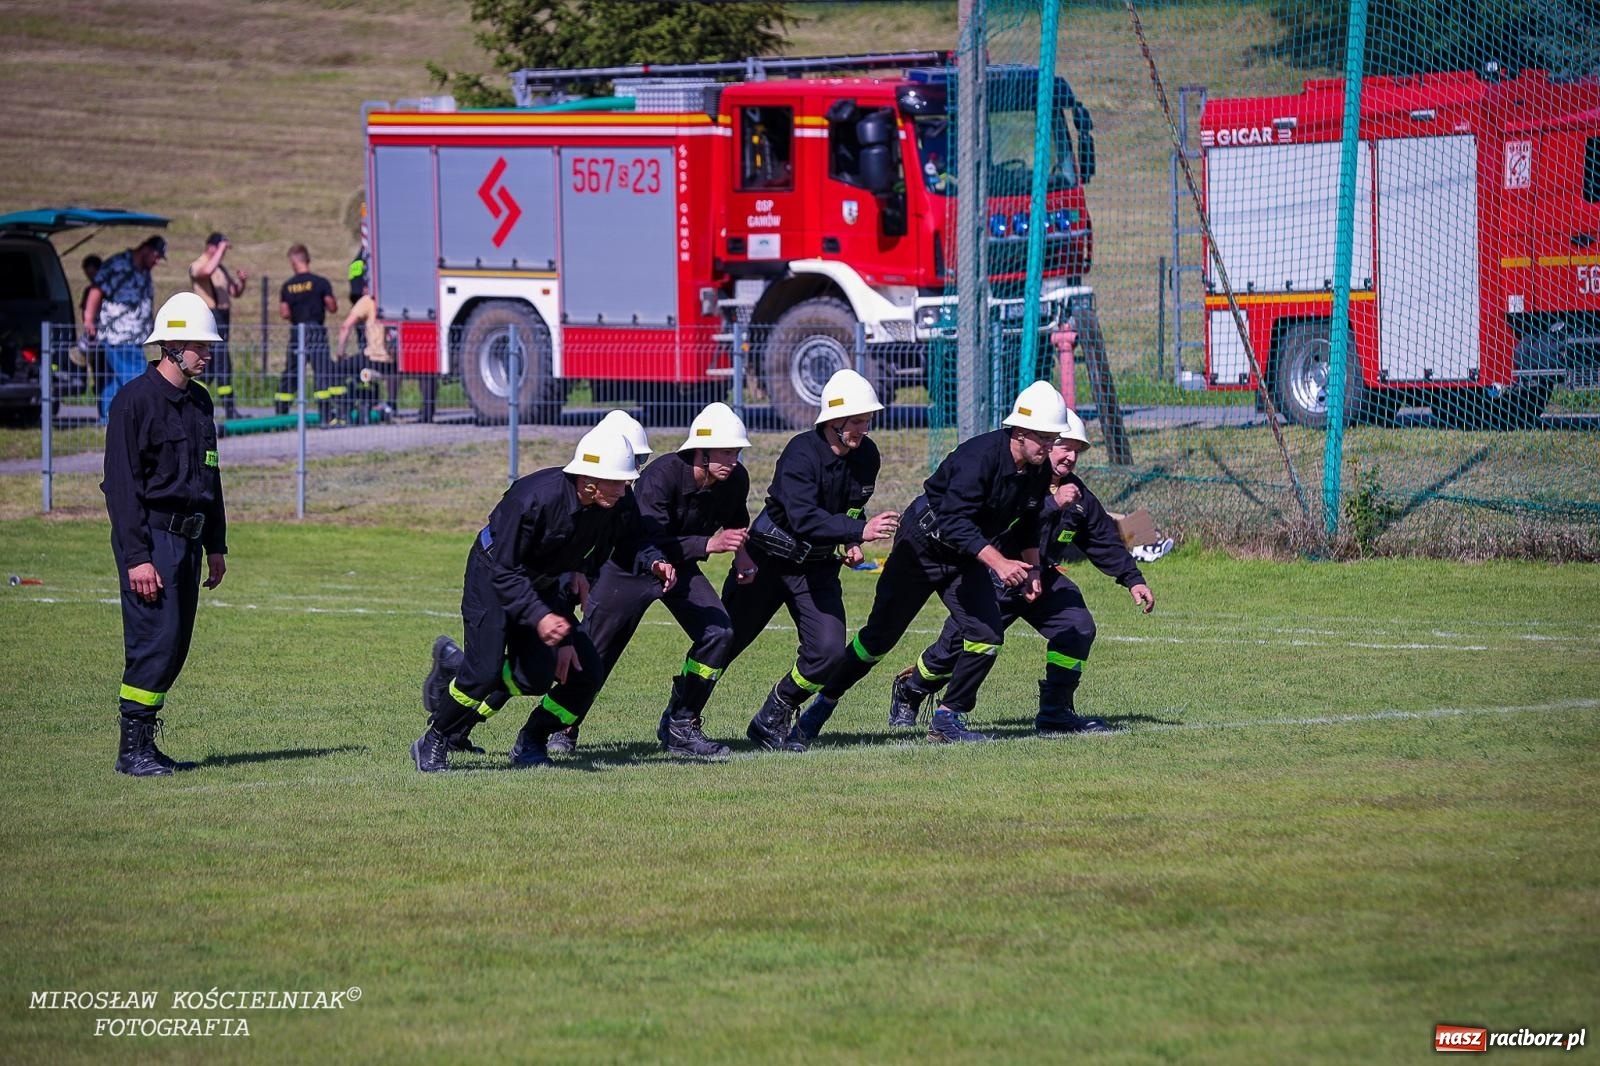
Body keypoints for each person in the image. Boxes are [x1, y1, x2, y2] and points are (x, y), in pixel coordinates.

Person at [791, 380, 1069, 748]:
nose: (1049, 446)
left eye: (1053, 438)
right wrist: (1000, 563)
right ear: (1019, 432)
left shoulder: (1037, 469)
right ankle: (823, 704)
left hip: (963, 556)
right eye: (1043, 438)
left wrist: (1032, 569)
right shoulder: (978, 458)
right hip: (921, 547)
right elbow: (953, 522)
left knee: (986, 636)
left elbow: (1029, 519)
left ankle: (948, 719)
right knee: (878, 639)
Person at [412, 423, 676, 772]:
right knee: (483, 672)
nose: (625, 488)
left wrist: (653, 561)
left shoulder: (617, 502)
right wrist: (542, 616)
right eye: (616, 481)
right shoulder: (533, 498)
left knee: (578, 672)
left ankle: (532, 741)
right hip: (493, 577)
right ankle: (434, 739)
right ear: (588, 479)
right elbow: (505, 571)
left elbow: (632, 540)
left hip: (545, 585)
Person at [887, 410, 1155, 735]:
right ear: (1045, 443)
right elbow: (1004, 527)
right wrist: (1052, 505)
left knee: (1077, 625)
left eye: (1076, 451)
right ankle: (911, 689)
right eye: (1064, 447)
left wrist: (1133, 579)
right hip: (992, 576)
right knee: (953, 651)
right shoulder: (1014, 480)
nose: (1070, 457)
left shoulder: (1078, 495)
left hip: (1039, 579)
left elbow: (1103, 539)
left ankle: (1056, 713)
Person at [560, 402, 758, 759]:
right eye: (725, 452)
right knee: (594, 652)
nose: (733, 460)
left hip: (681, 569)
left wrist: (741, 555)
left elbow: (736, 519)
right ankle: (561, 726)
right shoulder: (661, 476)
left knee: (719, 633)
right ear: (700, 451)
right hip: (630, 567)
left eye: (736, 452)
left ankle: (681, 725)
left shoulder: (735, 479)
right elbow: (646, 540)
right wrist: (708, 544)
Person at [721, 369, 900, 751]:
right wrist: (859, 530)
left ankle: (773, 716)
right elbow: (803, 518)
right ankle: (681, 717)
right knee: (722, 643)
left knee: (829, 653)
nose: (864, 429)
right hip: (768, 561)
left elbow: (852, 507)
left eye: (867, 420)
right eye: (857, 421)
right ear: (834, 421)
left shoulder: (867, 455)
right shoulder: (800, 453)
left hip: (817, 566)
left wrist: (851, 540)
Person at [101, 292, 228, 776]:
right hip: (151, 540)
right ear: (172, 346)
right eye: (200, 344)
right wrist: (138, 557)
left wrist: (216, 545)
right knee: (153, 641)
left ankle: (145, 745)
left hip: (189, 542)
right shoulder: (134, 402)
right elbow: (122, 487)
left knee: (173, 644)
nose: (207, 353)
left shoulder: (199, 402)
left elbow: (211, 478)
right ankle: (131, 750)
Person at [82, 234, 166, 422]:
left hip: (134, 337)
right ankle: (139, 420)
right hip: (119, 337)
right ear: (146, 250)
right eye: (156, 256)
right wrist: (88, 319)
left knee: (113, 382)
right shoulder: (118, 265)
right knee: (136, 380)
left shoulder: (143, 270)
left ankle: (110, 421)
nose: (157, 262)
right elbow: (97, 289)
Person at [273, 244, 338, 422]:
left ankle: (280, 414)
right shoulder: (320, 282)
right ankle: (326, 415)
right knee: (322, 371)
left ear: (293, 262)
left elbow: (284, 313)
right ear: (307, 259)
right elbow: (332, 307)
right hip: (316, 330)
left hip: (297, 332)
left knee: (292, 371)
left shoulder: (288, 286)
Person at [189, 232, 249, 418]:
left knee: (219, 365)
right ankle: (198, 407)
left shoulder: (220, 268)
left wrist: (242, 282)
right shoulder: (198, 265)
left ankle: (225, 409)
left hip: (223, 317)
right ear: (211, 247)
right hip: (210, 316)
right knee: (217, 364)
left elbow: (234, 291)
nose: (223, 253)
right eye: (220, 248)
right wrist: (221, 248)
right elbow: (205, 272)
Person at [335, 280, 396, 422]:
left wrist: (340, 351)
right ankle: (372, 402)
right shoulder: (394, 298)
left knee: (336, 369)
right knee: (363, 375)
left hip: (374, 357)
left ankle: (343, 409)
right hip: (394, 362)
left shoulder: (368, 301)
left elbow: (346, 326)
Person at [77, 255, 106, 407]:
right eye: (88, 274)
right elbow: (84, 313)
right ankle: (102, 408)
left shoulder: (108, 290)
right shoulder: (89, 290)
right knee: (99, 375)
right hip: (94, 341)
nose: (90, 277)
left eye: (92, 273)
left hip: (107, 339)